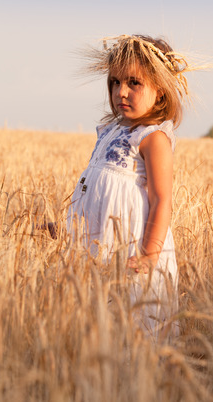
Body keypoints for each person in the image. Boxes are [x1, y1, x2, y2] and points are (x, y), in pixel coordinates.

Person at [67, 34, 191, 339]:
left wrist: (150, 255)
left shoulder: (153, 138)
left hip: (131, 247)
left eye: (134, 83)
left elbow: (162, 200)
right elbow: (92, 190)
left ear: (160, 93)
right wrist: (67, 229)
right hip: (98, 244)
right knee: (97, 319)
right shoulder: (110, 130)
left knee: (133, 322)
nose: (121, 91)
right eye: (114, 82)